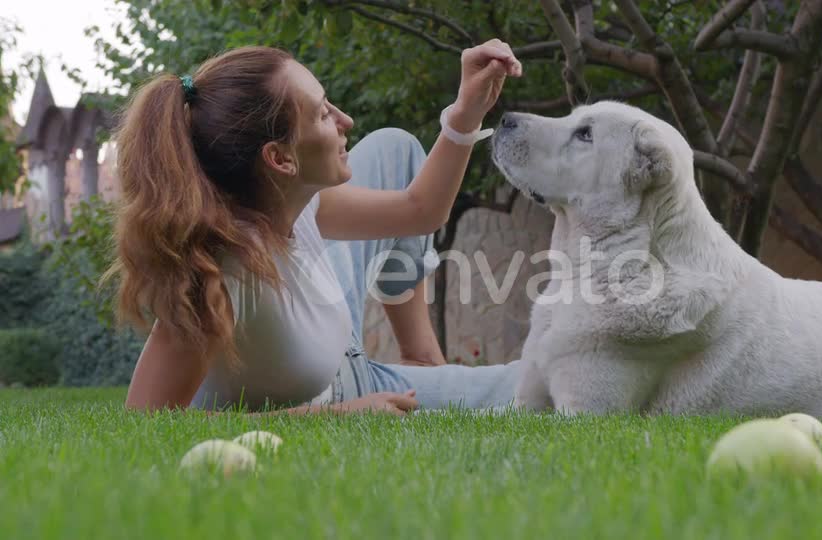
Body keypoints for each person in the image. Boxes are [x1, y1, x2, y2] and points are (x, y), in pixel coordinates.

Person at [116, 42, 526, 415]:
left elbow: (420, 210)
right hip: (338, 388)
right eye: (322, 113)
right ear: (280, 159)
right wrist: (338, 415)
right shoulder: (221, 278)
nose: (345, 120)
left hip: (335, 351)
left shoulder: (300, 202)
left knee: (394, 147)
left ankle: (422, 360)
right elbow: (145, 423)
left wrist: (466, 111)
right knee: (523, 392)